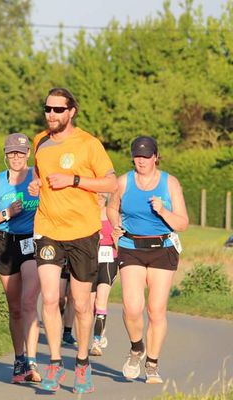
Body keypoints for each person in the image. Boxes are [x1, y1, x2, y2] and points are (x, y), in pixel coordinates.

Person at [28, 87, 117, 394]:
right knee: (50, 299)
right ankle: (54, 362)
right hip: (48, 228)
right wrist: (36, 185)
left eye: (57, 110)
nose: (51, 115)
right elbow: (38, 176)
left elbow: (111, 182)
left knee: (80, 304)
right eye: (47, 109)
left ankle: (81, 363)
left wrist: (75, 180)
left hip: (83, 232)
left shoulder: (89, 144)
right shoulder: (39, 142)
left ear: (71, 112)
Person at [107, 136, 188, 384]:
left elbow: (183, 223)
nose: (141, 161)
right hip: (131, 245)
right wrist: (115, 224)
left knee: (156, 309)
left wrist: (163, 210)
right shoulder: (123, 181)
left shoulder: (169, 183)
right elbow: (112, 208)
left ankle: (152, 364)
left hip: (162, 247)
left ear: (156, 157)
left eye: (146, 156)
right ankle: (136, 348)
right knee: (132, 307)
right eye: (137, 156)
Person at [0, 133, 41, 384]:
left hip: (31, 242)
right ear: (6, 155)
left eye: (20, 152)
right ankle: (19, 359)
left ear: (28, 153)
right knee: (15, 307)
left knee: (28, 302)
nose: (16, 157)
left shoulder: (36, 177)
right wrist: (7, 212)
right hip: (4, 244)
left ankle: (33, 361)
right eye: (11, 153)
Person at [90, 193, 118, 356]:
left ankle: (96, 341)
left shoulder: (112, 214)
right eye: (96, 194)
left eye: (102, 195)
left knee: (101, 300)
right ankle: (101, 329)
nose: (99, 197)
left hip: (109, 259)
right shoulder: (87, 213)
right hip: (90, 260)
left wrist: (115, 239)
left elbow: (122, 243)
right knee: (91, 303)